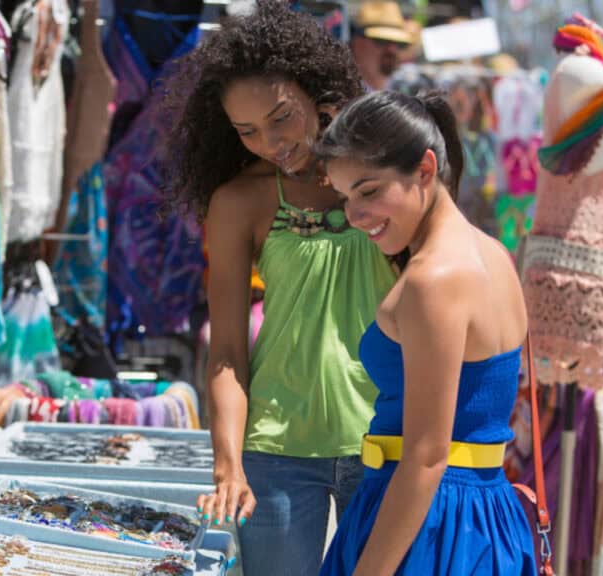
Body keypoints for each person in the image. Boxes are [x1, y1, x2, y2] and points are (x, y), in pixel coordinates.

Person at [158, 2, 396, 573]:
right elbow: (228, 355)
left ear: (315, 90)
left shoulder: (384, 180)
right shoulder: (240, 202)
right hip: (275, 451)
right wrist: (227, 465)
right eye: (247, 131)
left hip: (388, 439)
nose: (270, 141)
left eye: (280, 117)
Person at [316, 90, 537, 575]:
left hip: (432, 526)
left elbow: (425, 457)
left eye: (369, 190)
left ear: (425, 168)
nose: (354, 214)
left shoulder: (431, 281)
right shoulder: (493, 254)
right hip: (486, 517)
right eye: (346, 196)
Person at [350, 1, 415, 91]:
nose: (392, 50)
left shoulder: (407, 90)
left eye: (399, 43)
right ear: (358, 44)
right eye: (382, 41)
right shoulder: (339, 94)